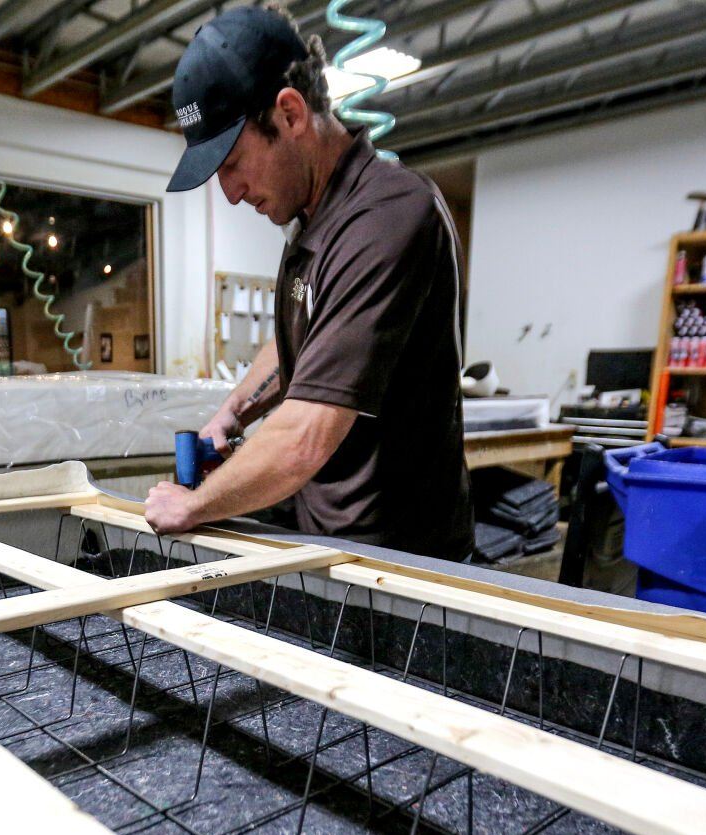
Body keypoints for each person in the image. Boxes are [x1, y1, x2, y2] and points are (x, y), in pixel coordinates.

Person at [144, 4, 472, 561]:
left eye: (231, 162)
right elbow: (306, 340)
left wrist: (192, 506)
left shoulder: (388, 217)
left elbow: (304, 436)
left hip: (402, 567)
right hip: (328, 544)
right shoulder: (311, 220)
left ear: (290, 114)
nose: (230, 192)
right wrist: (234, 412)